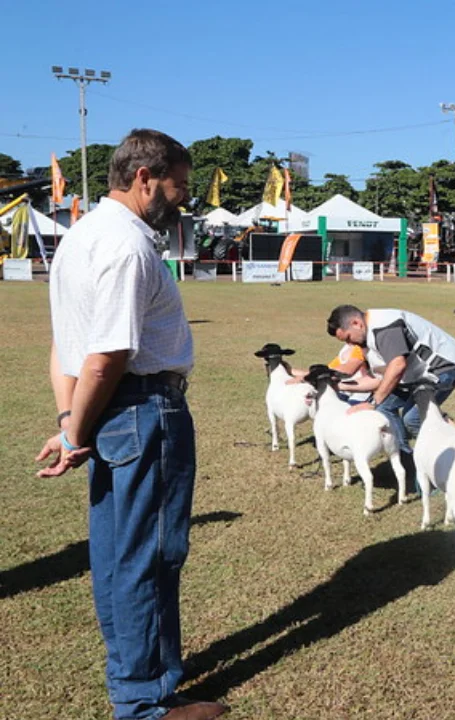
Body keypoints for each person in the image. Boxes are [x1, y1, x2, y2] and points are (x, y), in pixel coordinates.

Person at [36, 129, 228, 719]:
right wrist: (73, 433)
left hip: (113, 414)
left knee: (120, 556)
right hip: (145, 410)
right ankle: (145, 702)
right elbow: (107, 354)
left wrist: (74, 419)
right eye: (179, 185)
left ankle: (141, 679)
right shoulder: (127, 246)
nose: (183, 198)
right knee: (149, 558)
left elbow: (64, 346)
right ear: (145, 178)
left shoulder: (81, 236)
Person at [326, 305, 455, 482]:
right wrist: (340, 386)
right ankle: (408, 465)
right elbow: (381, 378)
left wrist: (374, 402)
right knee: (385, 409)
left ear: (356, 323)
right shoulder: (368, 338)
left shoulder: (384, 326)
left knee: (414, 419)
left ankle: (447, 469)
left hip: (443, 367)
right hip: (415, 374)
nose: (350, 344)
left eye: (348, 338)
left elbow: (397, 366)